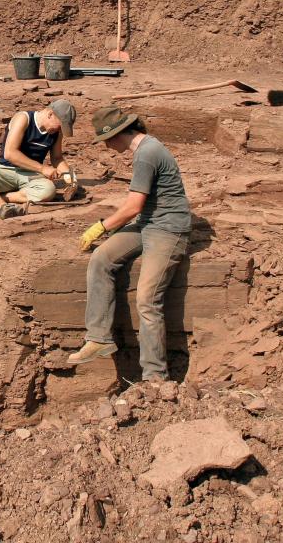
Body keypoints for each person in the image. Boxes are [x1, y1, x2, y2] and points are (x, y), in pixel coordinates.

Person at [68, 107, 191, 382]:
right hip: (148, 223)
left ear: (117, 135)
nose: (107, 147)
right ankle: (99, 337)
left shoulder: (147, 154)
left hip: (169, 229)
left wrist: (101, 226)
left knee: (147, 300)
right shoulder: (144, 150)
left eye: (106, 141)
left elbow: (133, 206)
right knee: (102, 258)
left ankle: (155, 377)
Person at [0, 99, 77, 220]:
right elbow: (10, 154)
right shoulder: (23, 119)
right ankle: (3, 207)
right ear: (50, 114)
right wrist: (42, 168)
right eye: (60, 126)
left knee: (49, 190)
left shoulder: (56, 133)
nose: (59, 130)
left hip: (30, 176)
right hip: (5, 171)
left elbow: (57, 158)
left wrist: (70, 177)